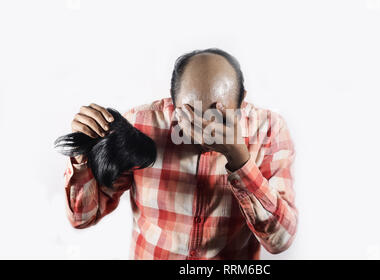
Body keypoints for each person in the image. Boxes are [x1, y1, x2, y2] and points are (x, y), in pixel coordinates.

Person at [63, 48, 297, 259]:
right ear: (172, 102)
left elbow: (281, 241)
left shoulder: (268, 130)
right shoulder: (140, 124)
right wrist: (83, 153)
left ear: (242, 101)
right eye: (190, 115)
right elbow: (82, 218)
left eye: (219, 116)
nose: (206, 130)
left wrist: (239, 159)